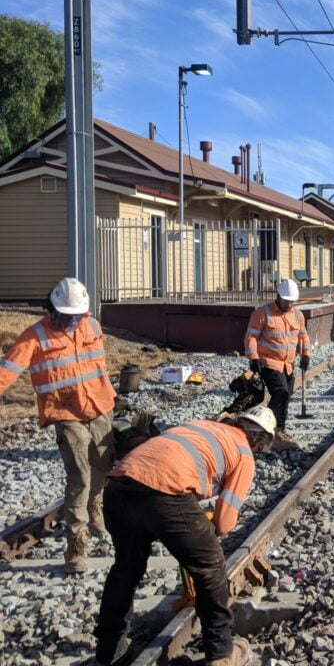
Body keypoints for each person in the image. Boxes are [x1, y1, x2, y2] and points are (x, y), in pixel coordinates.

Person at [94, 406, 277, 666]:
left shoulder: (202, 425)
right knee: (210, 567)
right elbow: (224, 522)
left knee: (125, 569)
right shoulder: (244, 454)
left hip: (119, 487)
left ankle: (109, 654)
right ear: (261, 443)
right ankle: (221, 653)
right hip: (164, 493)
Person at [0, 277, 116, 574]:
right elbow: (7, 371)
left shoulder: (91, 326)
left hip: (100, 404)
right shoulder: (34, 336)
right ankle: (77, 543)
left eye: (76, 317)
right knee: (79, 475)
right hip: (63, 412)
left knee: (104, 465)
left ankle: (94, 505)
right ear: (51, 309)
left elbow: (97, 364)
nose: (71, 323)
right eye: (65, 317)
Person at [244, 279, 311, 449]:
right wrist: (253, 357)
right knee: (280, 393)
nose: (289, 304)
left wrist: (306, 355)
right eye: (286, 300)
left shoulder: (297, 315)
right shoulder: (262, 313)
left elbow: (303, 336)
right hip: (269, 362)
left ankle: (279, 429)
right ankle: (266, 430)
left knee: (286, 395)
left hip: (288, 364)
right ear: (278, 296)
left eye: (292, 301)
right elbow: (251, 336)